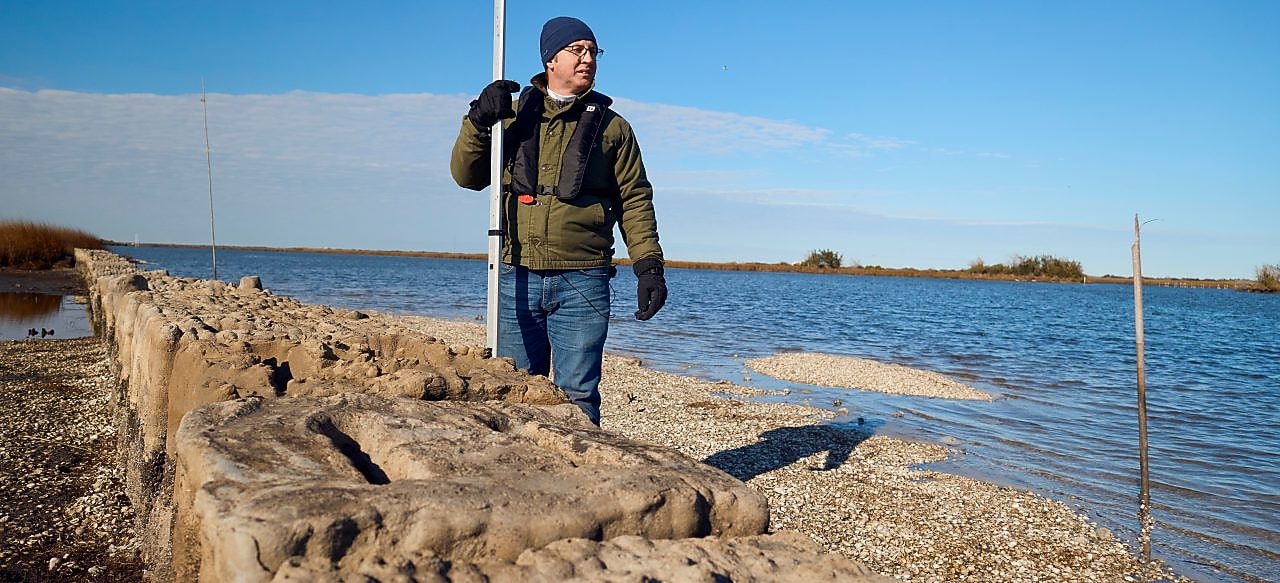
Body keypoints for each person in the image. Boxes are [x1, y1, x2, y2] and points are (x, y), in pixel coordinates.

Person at [450, 16, 666, 426]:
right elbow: (467, 177)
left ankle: (579, 483)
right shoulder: (509, 117)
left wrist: (648, 266)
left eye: (593, 52)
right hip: (515, 274)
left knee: (578, 396)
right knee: (512, 389)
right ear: (551, 59)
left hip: (583, 278)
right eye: (577, 50)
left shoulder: (613, 128)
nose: (588, 59)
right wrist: (478, 121)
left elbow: (635, 199)